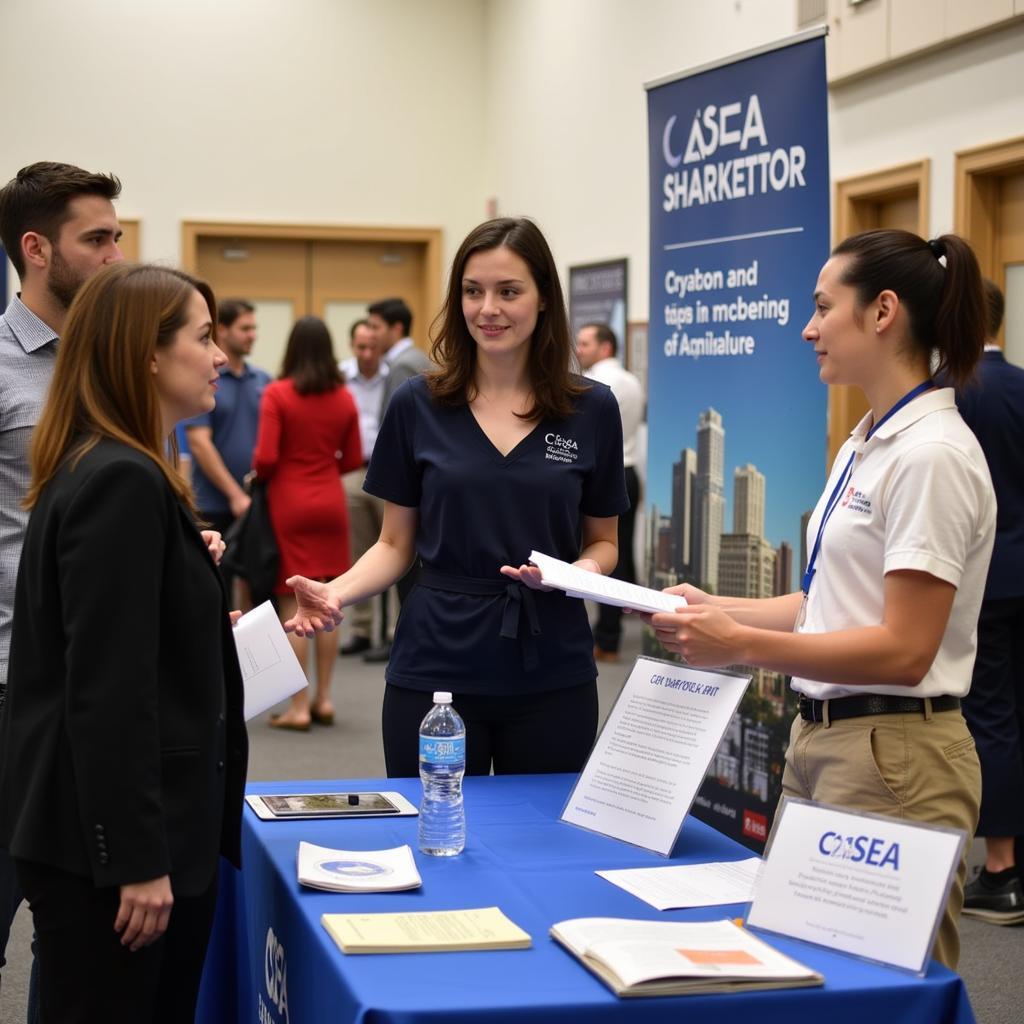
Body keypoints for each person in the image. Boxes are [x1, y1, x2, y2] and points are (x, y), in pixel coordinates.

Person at [645, 229, 995, 970]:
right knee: (806, 974)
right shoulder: (866, 441)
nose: (807, 328)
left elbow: (904, 650)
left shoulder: (932, 456)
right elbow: (821, 606)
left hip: (898, 758)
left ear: (882, 313)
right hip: (823, 742)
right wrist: (717, 607)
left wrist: (736, 644)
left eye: (822, 307)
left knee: (883, 990)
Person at [286, 217, 628, 776]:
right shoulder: (416, 404)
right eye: (473, 291)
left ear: (544, 299)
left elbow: (605, 541)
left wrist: (573, 573)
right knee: (435, 838)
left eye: (508, 291)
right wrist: (336, 592)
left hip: (551, 664)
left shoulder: (592, 409)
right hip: (436, 665)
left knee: (539, 845)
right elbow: (395, 544)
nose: (487, 308)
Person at [0, 262, 248, 1022]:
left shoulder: (118, 464)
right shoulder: (121, 481)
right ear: (147, 352)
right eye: (203, 338)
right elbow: (107, 692)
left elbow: (134, 642)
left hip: (126, 837)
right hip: (121, 855)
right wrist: (137, 860)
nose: (220, 358)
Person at [0, 159, 124, 1019]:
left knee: (76, 929)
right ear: (38, 248)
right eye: (98, 238)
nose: (116, 254)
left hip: (97, 692)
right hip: (10, 685)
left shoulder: (111, 366)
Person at [954, 280, 1024, 924]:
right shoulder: (1021, 385)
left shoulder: (952, 399)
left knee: (992, 717)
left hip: (983, 583)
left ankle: (999, 870)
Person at [254, 316, 362, 730]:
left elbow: (264, 458)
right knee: (328, 603)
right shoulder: (344, 397)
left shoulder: (277, 394)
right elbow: (352, 458)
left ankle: (298, 707)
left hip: (289, 501)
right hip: (331, 502)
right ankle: (325, 699)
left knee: (294, 604)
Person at [185, 298, 271, 609]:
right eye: (245, 328)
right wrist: (235, 495)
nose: (252, 335)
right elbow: (199, 443)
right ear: (222, 330)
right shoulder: (209, 381)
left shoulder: (262, 380)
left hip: (254, 506)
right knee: (217, 595)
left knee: (260, 591)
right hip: (214, 506)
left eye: (254, 328)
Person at [362, 296, 434, 662]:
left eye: (375, 327)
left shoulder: (403, 367)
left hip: (410, 481)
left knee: (400, 559)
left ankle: (404, 641)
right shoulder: (419, 359)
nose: (371, 335)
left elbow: (400, 435)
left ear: (396, 328)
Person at [575, 322, 643, 662]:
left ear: (605, 347)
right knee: (621, 553)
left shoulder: (596, 386)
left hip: (602, 475)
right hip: (630, 472)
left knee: (599, 554)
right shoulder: (632, 381)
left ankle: (604, 636)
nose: (579, 349)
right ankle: (610, 634)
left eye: (585, 343)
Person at [339, 319, 389, 656]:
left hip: (387, 473)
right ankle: (360, 628)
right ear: (352, 346)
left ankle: (392, 630)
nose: (367, 353)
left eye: (373, 347)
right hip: (353, 472)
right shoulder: (340, 377)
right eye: (361, 347)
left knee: (395, 549)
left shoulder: (394, 375)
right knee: (359, 552)